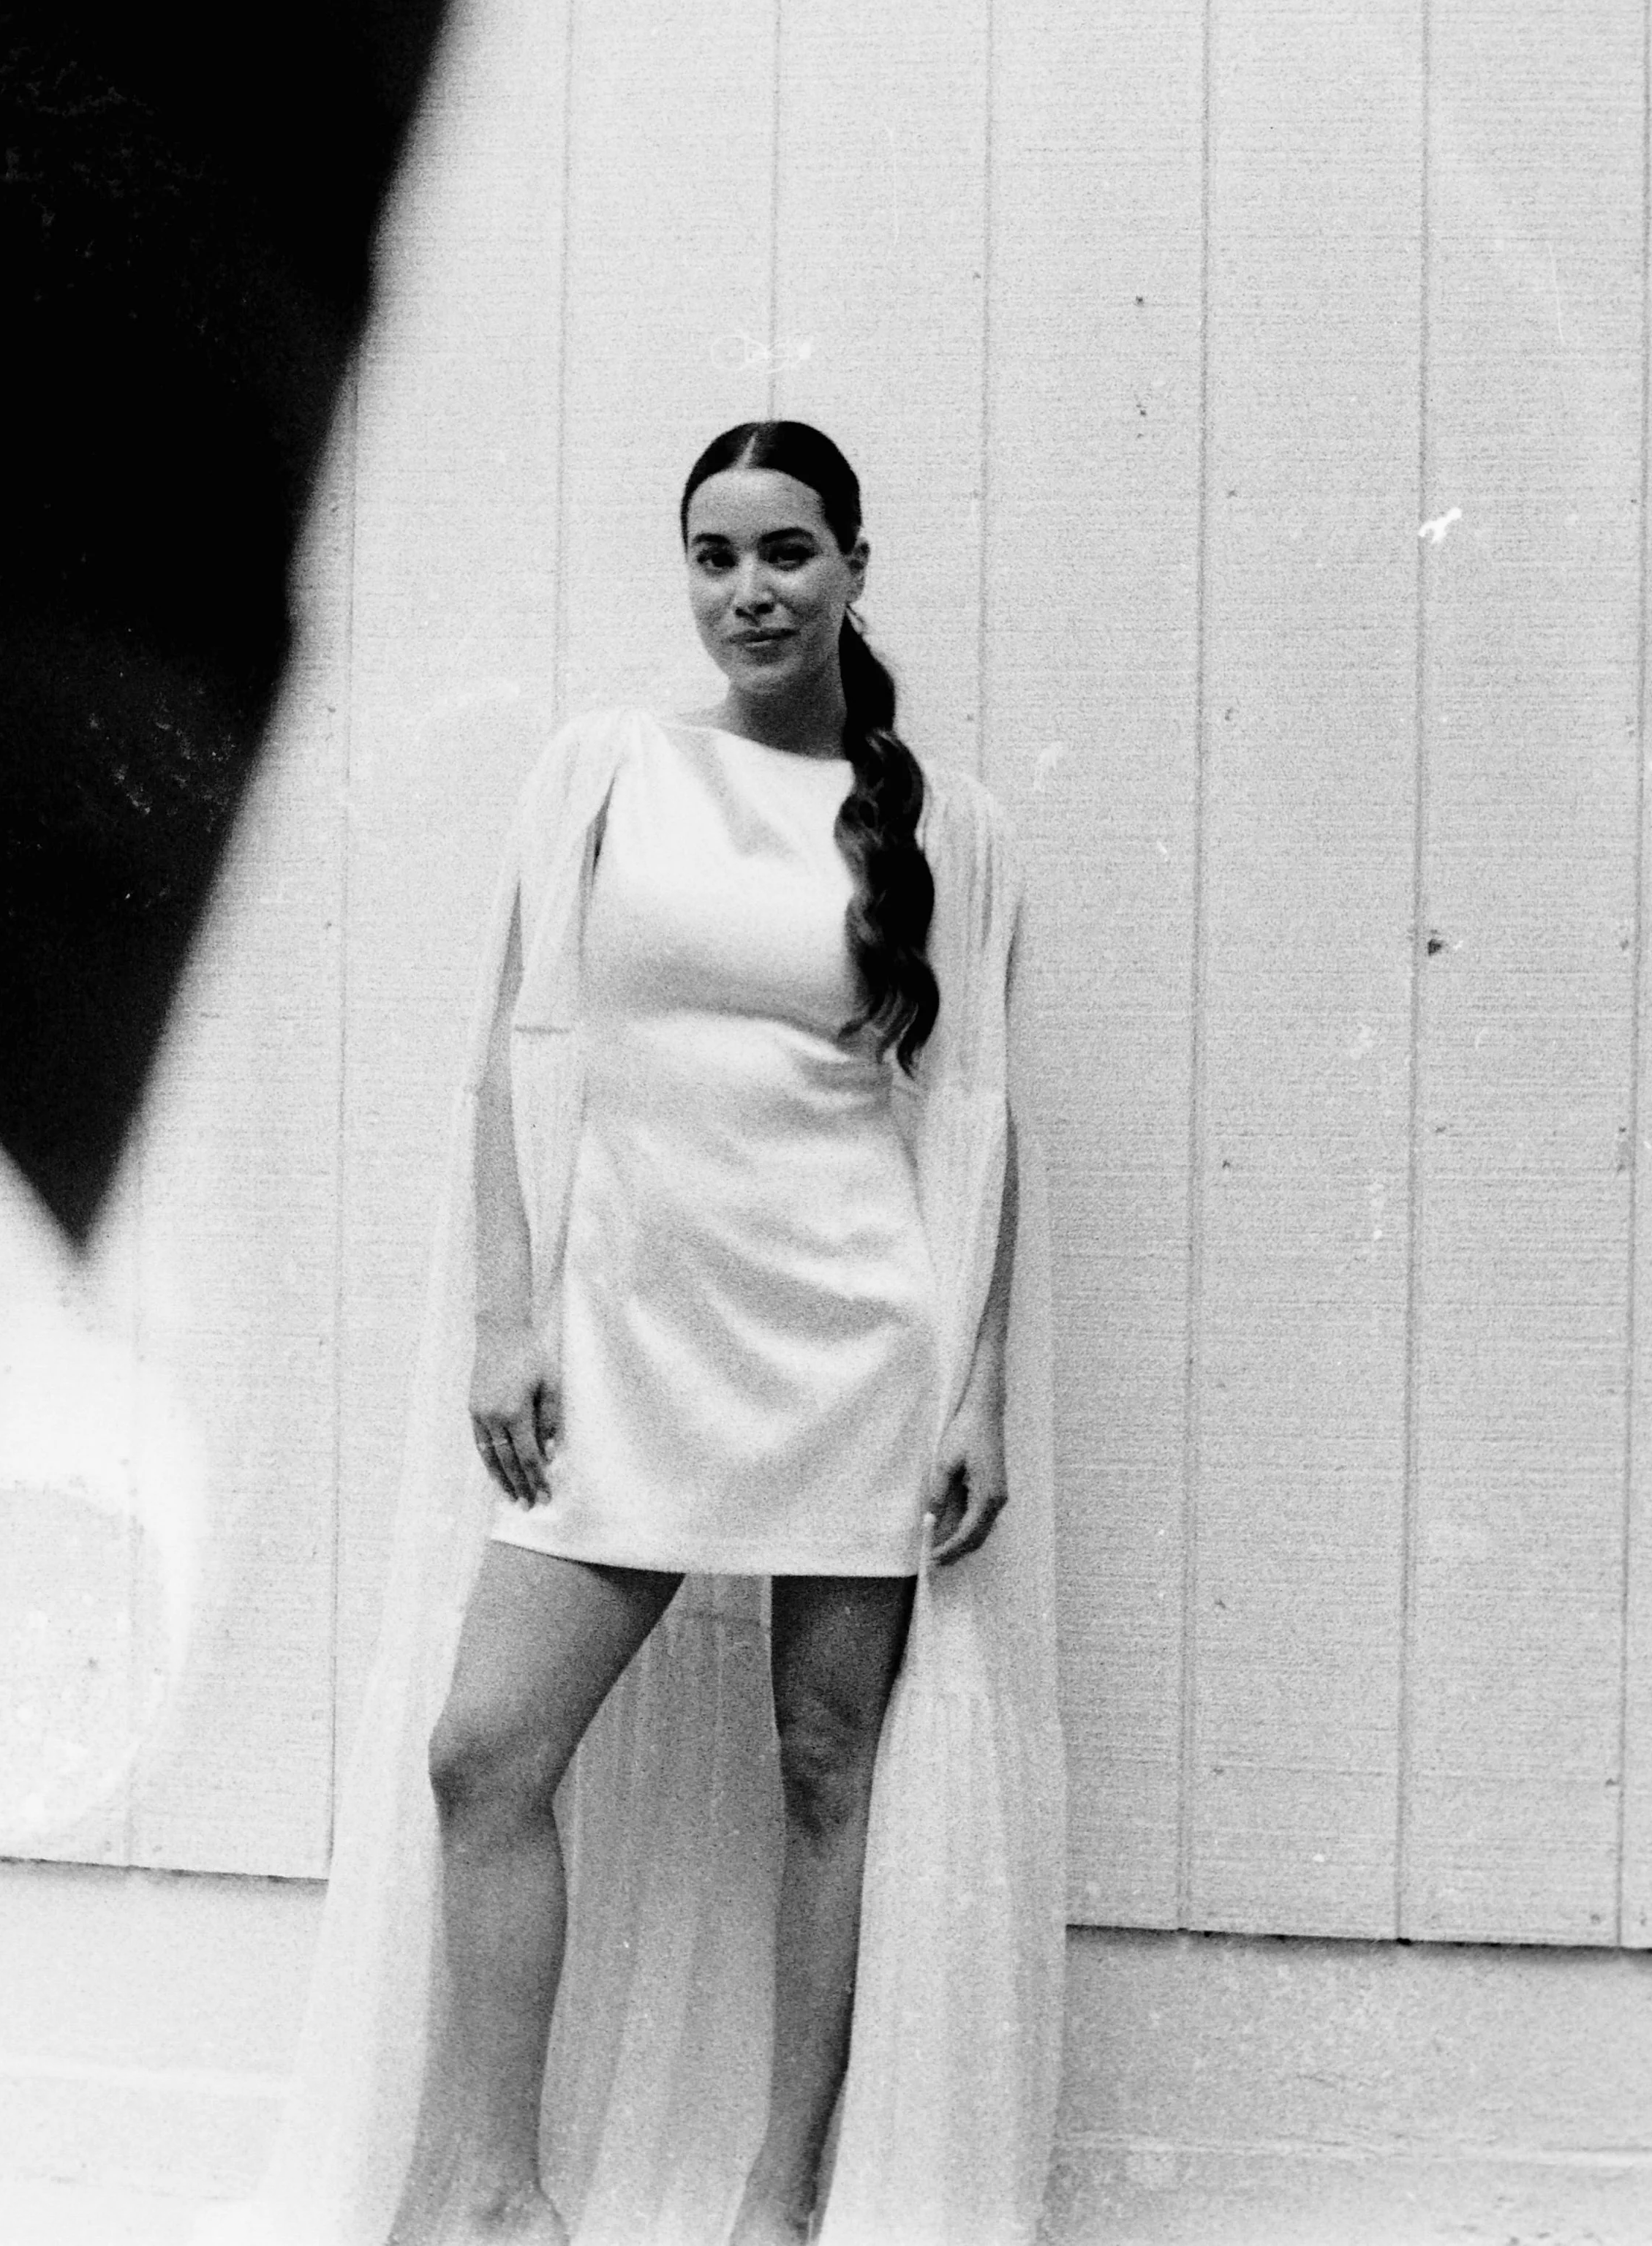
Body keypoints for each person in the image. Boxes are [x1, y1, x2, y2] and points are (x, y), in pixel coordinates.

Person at [208, 421, 1066, 2246]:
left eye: (785, 553)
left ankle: (778, 2203)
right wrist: (509, 1317)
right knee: (484, 1751)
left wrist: (974, 1389)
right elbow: (517, 1053)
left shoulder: (950, 828)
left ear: (853, 565)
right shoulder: (602, 768)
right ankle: (495, 2190)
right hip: (625, 1333)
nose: (746, 591)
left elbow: (979, 1117)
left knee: (827, 1769)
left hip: (854, 1344)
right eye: (712, 556)